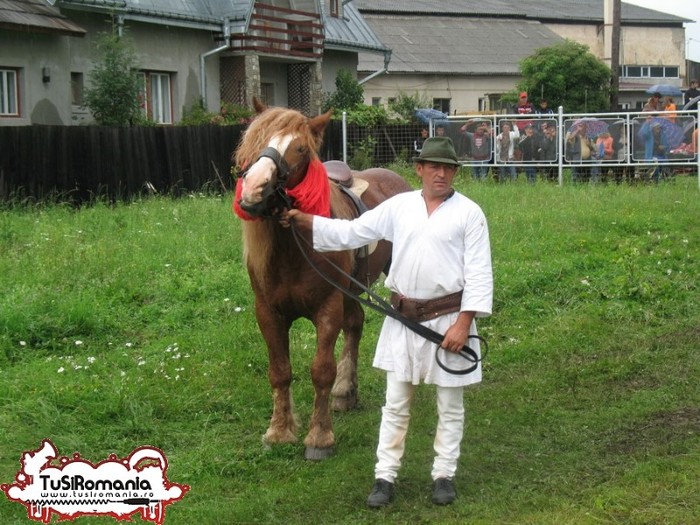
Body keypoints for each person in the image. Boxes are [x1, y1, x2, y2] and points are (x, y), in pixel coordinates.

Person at [281, 137, 493, 509]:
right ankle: (385, 476)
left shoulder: (469, 214)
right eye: (433, 166)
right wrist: (306, 221)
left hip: (447, 321)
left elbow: (479, 274)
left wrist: (464, 323)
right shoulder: (400, 207)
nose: (440, 173)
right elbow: (351, 233)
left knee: (450, 405)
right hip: (403, 320)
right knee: (395, 404)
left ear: (455, 172)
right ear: (420, 170)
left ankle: (444, 474)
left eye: (447, 167)